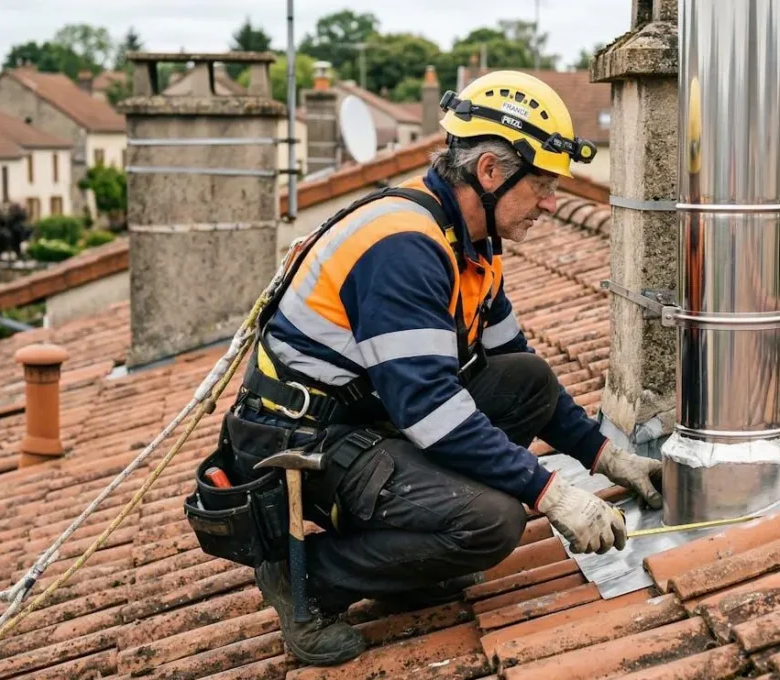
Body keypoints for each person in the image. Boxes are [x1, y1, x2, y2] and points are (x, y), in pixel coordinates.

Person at [222, 70, 662, 666]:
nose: (552, 204)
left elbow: (513, 365)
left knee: (528, 382)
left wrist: (606, 456)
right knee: (494, 522)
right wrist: (551, 493)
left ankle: (412, 557)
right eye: (541, 186)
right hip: (301, 445)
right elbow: (429, 409)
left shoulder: (470, 242)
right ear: (489, 173)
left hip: (365, 419)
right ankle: (306, 580)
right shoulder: (403, 247)